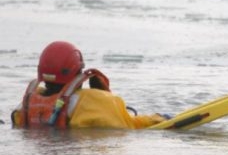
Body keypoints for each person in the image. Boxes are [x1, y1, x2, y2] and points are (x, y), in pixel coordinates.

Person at [11, 41, 166, 129]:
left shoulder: (23, 107)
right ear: (78, 71)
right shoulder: (93, 101)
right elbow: (129, 125)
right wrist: (160, 118)